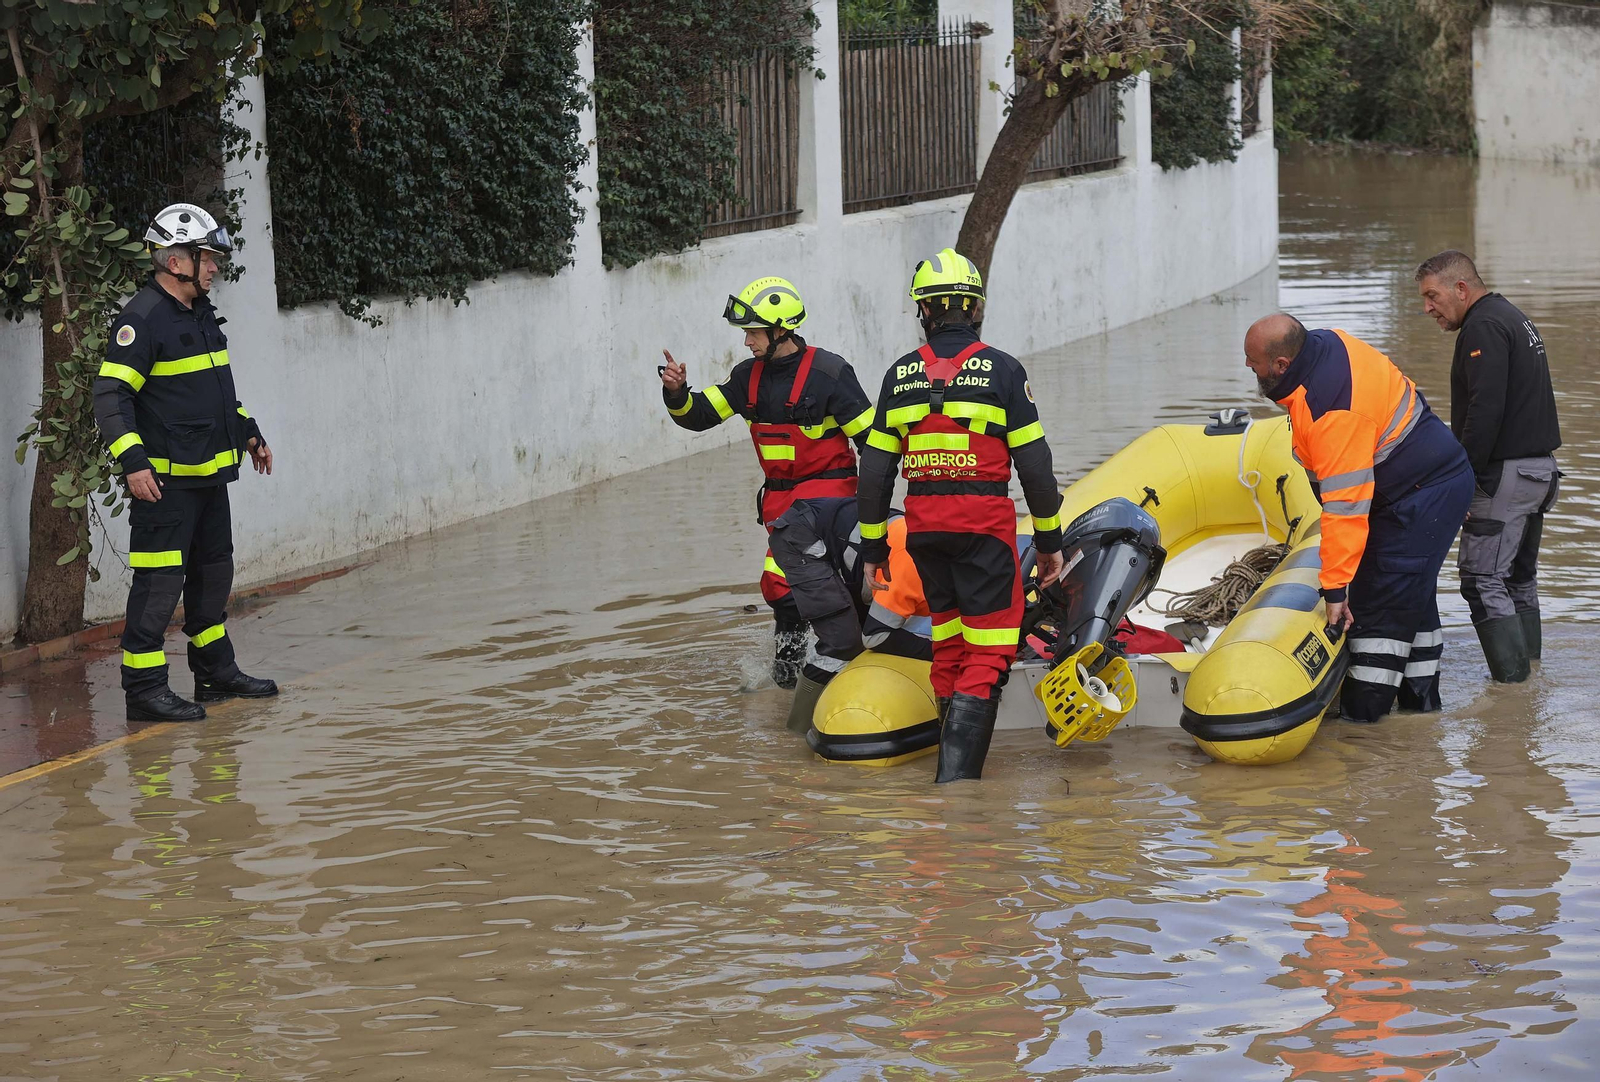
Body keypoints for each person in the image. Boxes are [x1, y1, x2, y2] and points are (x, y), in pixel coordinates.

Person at [856, 248, 1066, 783]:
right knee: (989, 654)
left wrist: (876, 550)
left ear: (923, 311)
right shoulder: (1003, 370)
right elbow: (1036, 468)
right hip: (984, 532)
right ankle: (957, 793)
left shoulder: (898, 376)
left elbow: (876, 475)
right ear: (974, 308)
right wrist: (1048, 542)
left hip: (924, 533)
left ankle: (948, 800)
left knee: (948, 643)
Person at [93, 203, 278, 722]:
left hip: (209, 478)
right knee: (158, 587)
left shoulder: (199, 314)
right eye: (208, 257)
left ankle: (215, 673)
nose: (216, 266)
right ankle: (145, 691)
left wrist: (249, 433)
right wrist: (132, 462)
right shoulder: (143, 318)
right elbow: (110, 396)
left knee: (213, 577)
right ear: (177, 262)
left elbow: (215, 393)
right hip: (165, 487)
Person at [1244, 314, 1473, 722]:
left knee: (1379, 606)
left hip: (1417, 496)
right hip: (1428, 480)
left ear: (1282, 365)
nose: (1248, 367)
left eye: (1253, 360)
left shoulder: (1333, 411)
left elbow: (1346, 508)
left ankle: (1365, 727)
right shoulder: (1324, 345)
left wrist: (1335, 592)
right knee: (1411, 596)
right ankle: (1422, 712)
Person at [660, 277, 876, 690]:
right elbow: (699, 415)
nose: (746, 342)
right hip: (781, 503)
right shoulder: (746, 378)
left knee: (798, 582)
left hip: (831, 499)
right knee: (783, 592)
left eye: (753, 333)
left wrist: (875, 512)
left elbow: (874, 446)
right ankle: (789, 678)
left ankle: (852, 659)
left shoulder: (831, 374)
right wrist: (677, 392)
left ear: (780, 330)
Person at [1416, 250, 1561, 681]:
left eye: (1432, 296)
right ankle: (1532, 681)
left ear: (1461, 289)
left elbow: (1485, 411)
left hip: (1506, 478)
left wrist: (1462, 482)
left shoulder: (1483, 325)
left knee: (1481, 582)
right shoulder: (1510, 315)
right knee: (1517, 580)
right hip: (1540, 473)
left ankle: (1513, 692)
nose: (1427, 309)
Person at [777, 502, 932, 733]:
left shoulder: (962, 568)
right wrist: (941, 651)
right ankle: (796, 732)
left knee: (861, 632)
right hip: (803, 536)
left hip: (853, 543)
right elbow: (876, 637)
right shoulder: (913, 565)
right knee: (844, 642)